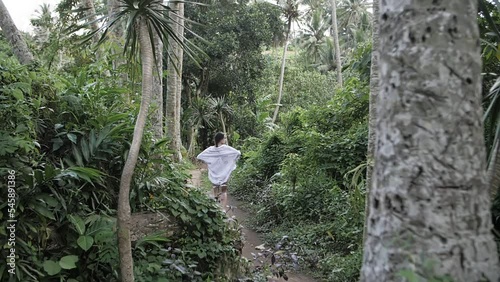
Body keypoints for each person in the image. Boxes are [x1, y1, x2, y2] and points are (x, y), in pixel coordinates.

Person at [197, 132, 241, 210]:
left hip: (215, 173)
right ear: (221, 139)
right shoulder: (225, 148)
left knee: (215, 192)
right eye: (224, 138)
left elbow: (200, 156)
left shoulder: (210, 149)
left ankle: (216, 209)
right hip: (224, 174)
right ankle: (223, 209)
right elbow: (237, 153)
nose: (225, 139)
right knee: (224, 191)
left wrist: (210, 161)